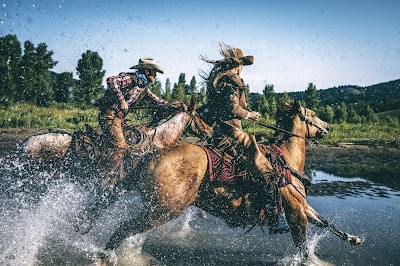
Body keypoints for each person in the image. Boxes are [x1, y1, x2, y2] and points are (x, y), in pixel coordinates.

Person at [199, 43, 289, 233]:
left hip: (219, 131)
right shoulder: (233, 81)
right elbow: (233, 108)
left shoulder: (219, 81)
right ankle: (275, 215)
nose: (242, 69)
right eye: (242, 65)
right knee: (266, 169)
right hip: (233, 131)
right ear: (237, 64)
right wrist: (249, 115)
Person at [96, 58, 178, 183]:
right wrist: (122, 100)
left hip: (119, 119)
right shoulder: (130, 79)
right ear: (146, 71)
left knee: (131, 141)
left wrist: (172, 106)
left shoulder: (143, 87)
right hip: (109, 117)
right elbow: (111, 80)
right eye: (154, 72)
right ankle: (106, 176)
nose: (155, 76)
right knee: (121, 146)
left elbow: (156, 100)